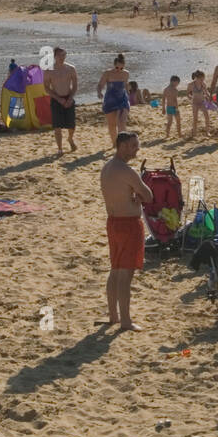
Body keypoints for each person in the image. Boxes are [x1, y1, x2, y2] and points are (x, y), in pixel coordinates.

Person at [100, 131, 154, 331]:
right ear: (122, 146)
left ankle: (113, 316)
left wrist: (134, 197)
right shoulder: (125, 170)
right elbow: (148, 196)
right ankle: (125, 321)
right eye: (133, 146)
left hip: (113, 222)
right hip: (128, 224)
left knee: (115, 270)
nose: (136, 150)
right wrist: (138, 197)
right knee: (125, 274)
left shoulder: (107, 168)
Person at [43, 46, 79, 155]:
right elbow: (46, 87)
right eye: (60, 55)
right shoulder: (49, 70)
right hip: (56, 99)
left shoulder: (71, 68)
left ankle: (70, 138)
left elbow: (75, 85)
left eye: (64, 55)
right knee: (57, 126)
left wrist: (70, 98)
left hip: (68, 97)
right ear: (54, 56)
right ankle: (60, 148)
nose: (62, 57)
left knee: (71, 125)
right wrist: (58, 99)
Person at [97, 54, 132, 146]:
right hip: (110, 100)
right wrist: (99, 92)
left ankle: (123, 144)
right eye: (117, 68)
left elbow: (125, 85)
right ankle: (115, 144)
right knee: (112, 125)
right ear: (114, 65)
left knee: (122, 123)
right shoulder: (107, 73)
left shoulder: (126, 73)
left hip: (122, 99)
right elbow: (100, 84)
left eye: (121, 68)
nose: (119, 70)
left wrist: (129, 94)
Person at [187, 70, 212, 138]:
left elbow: (206, 92)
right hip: (195, 103)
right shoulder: (191, 85)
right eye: (201, 79)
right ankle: (194, 133)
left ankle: (207, 132)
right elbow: (188, 93)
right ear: (196, 78)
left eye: (203, 79)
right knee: (195, 118)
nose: (202, 80)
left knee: (207, 116)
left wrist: (209, 97)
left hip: (202, 102)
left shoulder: (203, 84)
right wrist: (190, 97)